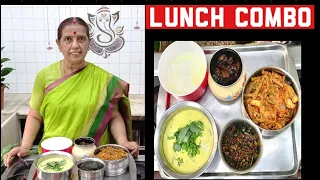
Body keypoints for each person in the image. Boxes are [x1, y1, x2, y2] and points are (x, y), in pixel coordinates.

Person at [3, 17, 138, 166]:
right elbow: (35, 116)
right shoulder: (44, 76)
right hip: (52, 158)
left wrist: (123, 141)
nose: (75, 45)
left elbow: (114, 116)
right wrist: (25, 146)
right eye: (68, 39)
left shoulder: (104, 79)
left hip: (92, 161)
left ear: (89, 43)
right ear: (58, 44)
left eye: (81, 39)